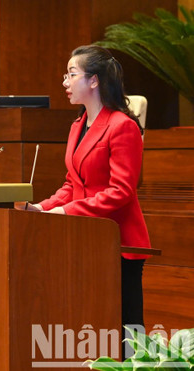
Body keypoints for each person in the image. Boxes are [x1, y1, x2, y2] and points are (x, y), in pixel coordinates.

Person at [28, 45, 150, 335]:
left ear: (94, 80)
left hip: (119, 242)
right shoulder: (77, 126)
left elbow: (121, 191)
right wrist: (42, 208)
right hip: (84, 239)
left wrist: (66, 211)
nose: (65, 82)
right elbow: (73, 184)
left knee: (124, 329)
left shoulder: (123, 126)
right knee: (90, 321)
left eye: (71, 74)